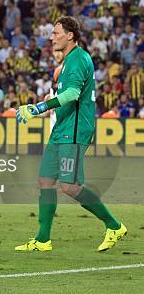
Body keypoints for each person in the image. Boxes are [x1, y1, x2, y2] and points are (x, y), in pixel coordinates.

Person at [15, 16, 126, 252]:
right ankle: (43, 240)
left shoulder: (77, 59)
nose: (51, 37)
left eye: (55, 33)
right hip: (62, 128)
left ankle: (113, 225)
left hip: (75, 129)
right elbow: (65, 95)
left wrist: (39, 108)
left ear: (70, 35)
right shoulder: (67, 61)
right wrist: (49, 101)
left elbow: (73, 94)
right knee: (45, 181)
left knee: (70, 186)